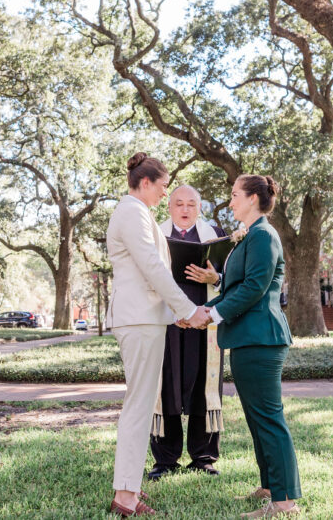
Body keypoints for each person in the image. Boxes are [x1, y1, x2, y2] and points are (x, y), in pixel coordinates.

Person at [105, 153, 212, 517]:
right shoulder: (132, 212)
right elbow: (152, 268)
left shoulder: (137, 212)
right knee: (138, 406)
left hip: (147, 318)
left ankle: (127, 489)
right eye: (164, 187)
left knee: (138, 404)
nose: (165, 194)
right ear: (146, 182)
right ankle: (126, 496)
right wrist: (188, 310)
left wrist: (173, 316)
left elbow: (149, 273)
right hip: (137, 321)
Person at [203, 174, 302, 518]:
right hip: (247, 338)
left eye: (234, 195)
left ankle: (285, 503)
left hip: (261, 338)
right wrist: (214, 286)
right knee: (257, 418)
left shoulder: (262, 235)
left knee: (269, 419)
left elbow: (255, 288)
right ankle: (270, 487)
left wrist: (212, 315)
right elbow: (238, 282)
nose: (230, 202)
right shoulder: (249, 237)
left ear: (252, 199)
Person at [147, 185, 226, 481]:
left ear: (200, 207)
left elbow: (233, 279)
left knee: (203, 387)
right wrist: (175, 312)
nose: (184, 209)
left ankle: (203, 457)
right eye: (178, 203)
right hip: (166, 323)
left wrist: (215, 277)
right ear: (169, 206)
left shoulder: (215, 235)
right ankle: (165, 459)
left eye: (191, 204)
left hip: (205, 324)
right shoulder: (155, 234)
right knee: (165, 385)